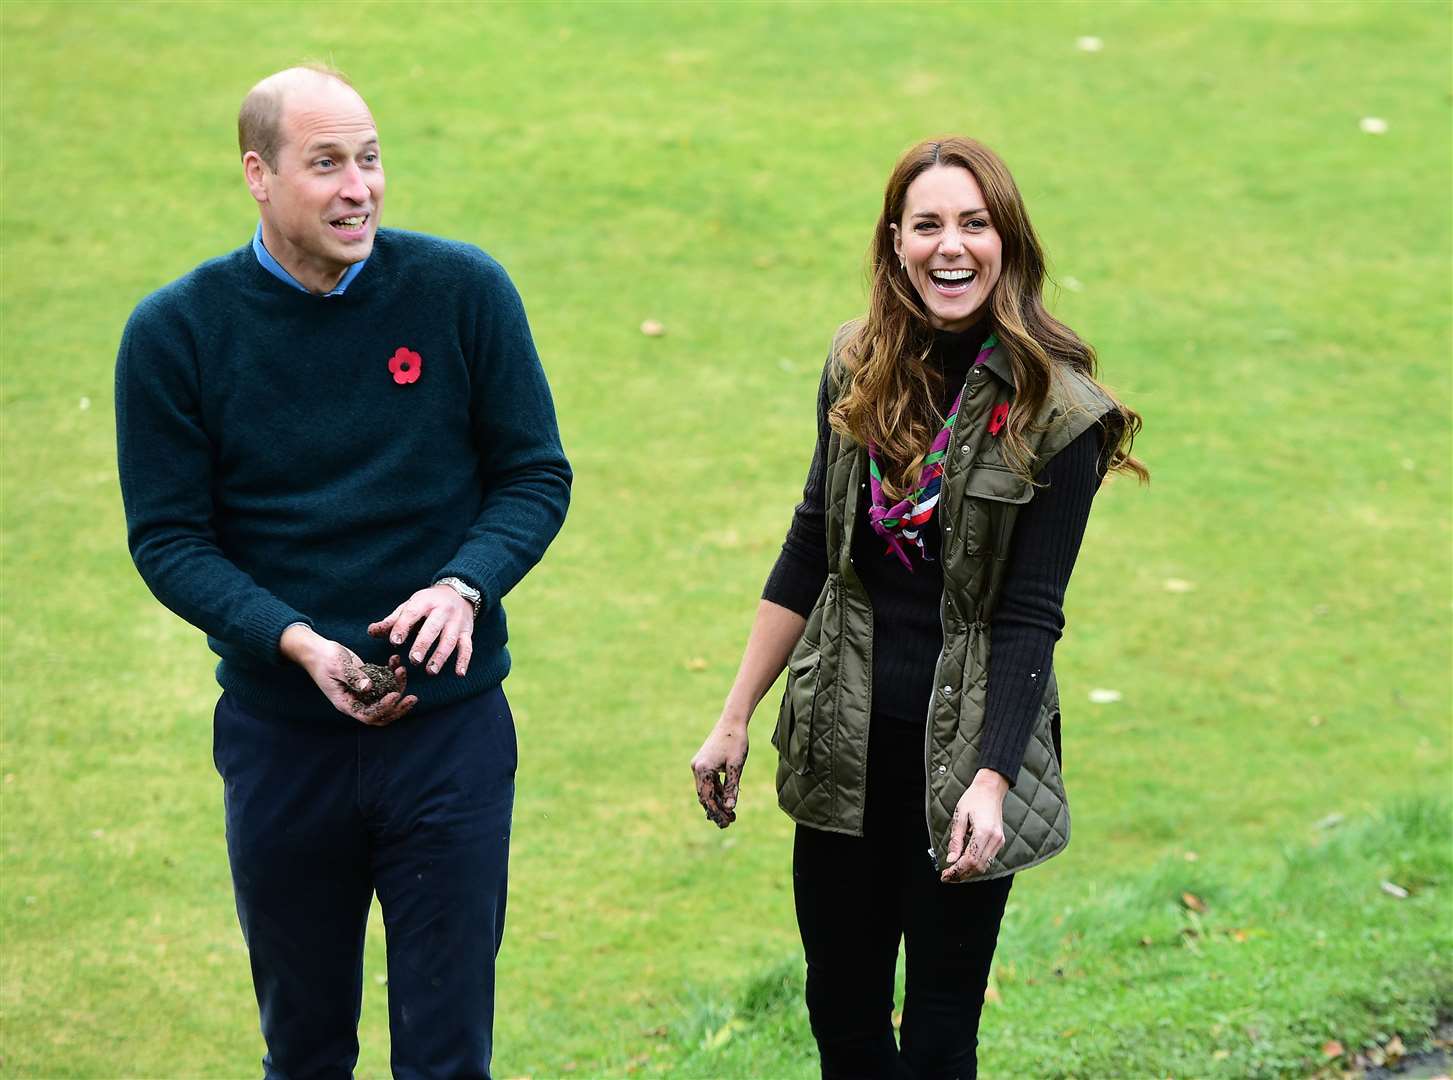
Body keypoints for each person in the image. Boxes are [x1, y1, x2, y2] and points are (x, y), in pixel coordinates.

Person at [115, 64, 570, 1078]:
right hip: (282, 747)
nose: (357, 187)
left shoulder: (462, 293)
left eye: (369, 160)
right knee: (306, 1050)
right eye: (325, 164)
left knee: (448, 1056)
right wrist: (297, 642)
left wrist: (465, 584)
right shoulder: (175, 334)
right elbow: (169, 540)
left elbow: (533, 475)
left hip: (450, 738)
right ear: (257, 175)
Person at [691, 136, 1145, 1079]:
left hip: (967, 758)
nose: (952, 246)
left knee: (939, 1034)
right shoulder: (857, 365)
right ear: (894, 242)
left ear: (1006, 242)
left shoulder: (1058, 412)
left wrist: (992, 781)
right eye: (928, 223)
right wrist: (733, 717)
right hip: (840, 735)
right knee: (843, 1020)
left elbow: (1029, 616)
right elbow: (811, 546)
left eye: (974, 224)